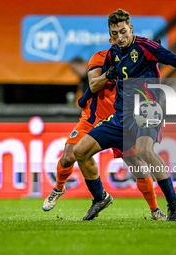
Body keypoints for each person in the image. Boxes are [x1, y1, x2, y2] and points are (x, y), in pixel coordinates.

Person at [73, 9, 176, 221]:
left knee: (144, 150)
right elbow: (99, 83)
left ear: (131, 29)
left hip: (147, 109)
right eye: (115, 33)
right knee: (80, 151)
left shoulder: (145, 46)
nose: (120, 37)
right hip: (120, 116)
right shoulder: (112, 54)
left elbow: (171, 58)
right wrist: (83, 99)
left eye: (123, 31)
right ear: (110, 35)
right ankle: (100, 198)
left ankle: (173, 201)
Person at [42, 42, 166, 221]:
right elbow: (92, 86)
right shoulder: (99, 58)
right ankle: (59, 188)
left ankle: (155, 210)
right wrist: (102, 81)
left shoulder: (135, 62)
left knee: (136, 163)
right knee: (69, 156)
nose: (120, 40)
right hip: (92, 118)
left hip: (119, 119)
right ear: (111, 40)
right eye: (115, 35)